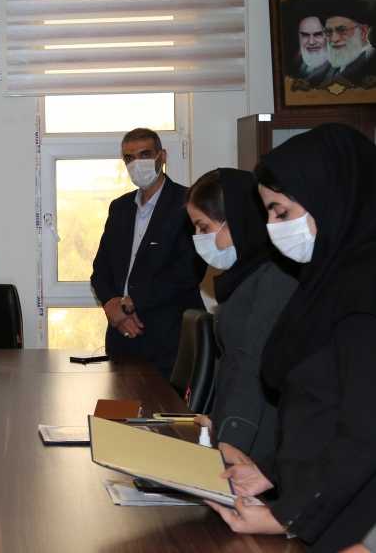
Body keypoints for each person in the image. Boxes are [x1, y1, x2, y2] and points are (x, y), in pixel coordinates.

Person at [207, 124, 376, 552]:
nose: (271, 227)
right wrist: (269, 471)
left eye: (281, 213)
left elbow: (364, 434)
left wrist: (287, 517)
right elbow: (316, 410)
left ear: (329, 198)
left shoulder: (364, 292)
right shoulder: (328, 280)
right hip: (320, 504)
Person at [185, 168, 296, 460]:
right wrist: (216, 419)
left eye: (204, 227)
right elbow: (232, 364)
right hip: (237, 428)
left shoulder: (276, 277)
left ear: (234, 220)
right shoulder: (245, 276)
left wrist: (232, 436)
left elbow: (252, 363)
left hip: (258, 440)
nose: (199, 238)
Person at [90, 128, 204, 377]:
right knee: (119, 402)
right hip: (122, 338)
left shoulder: (188, 203)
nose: (137, 163)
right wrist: (111, 304)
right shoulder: (120, 208)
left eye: (144, 154)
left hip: (171, 341)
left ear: (162, 156)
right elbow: (100, 270)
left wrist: (132, 302)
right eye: (129, 158)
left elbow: (189, 270)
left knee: (167, 404)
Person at [323, 0, 376, 89]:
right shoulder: (334, 66)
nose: (334, 39)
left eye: (342, 30)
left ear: (363, 32)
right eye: (328, 32)